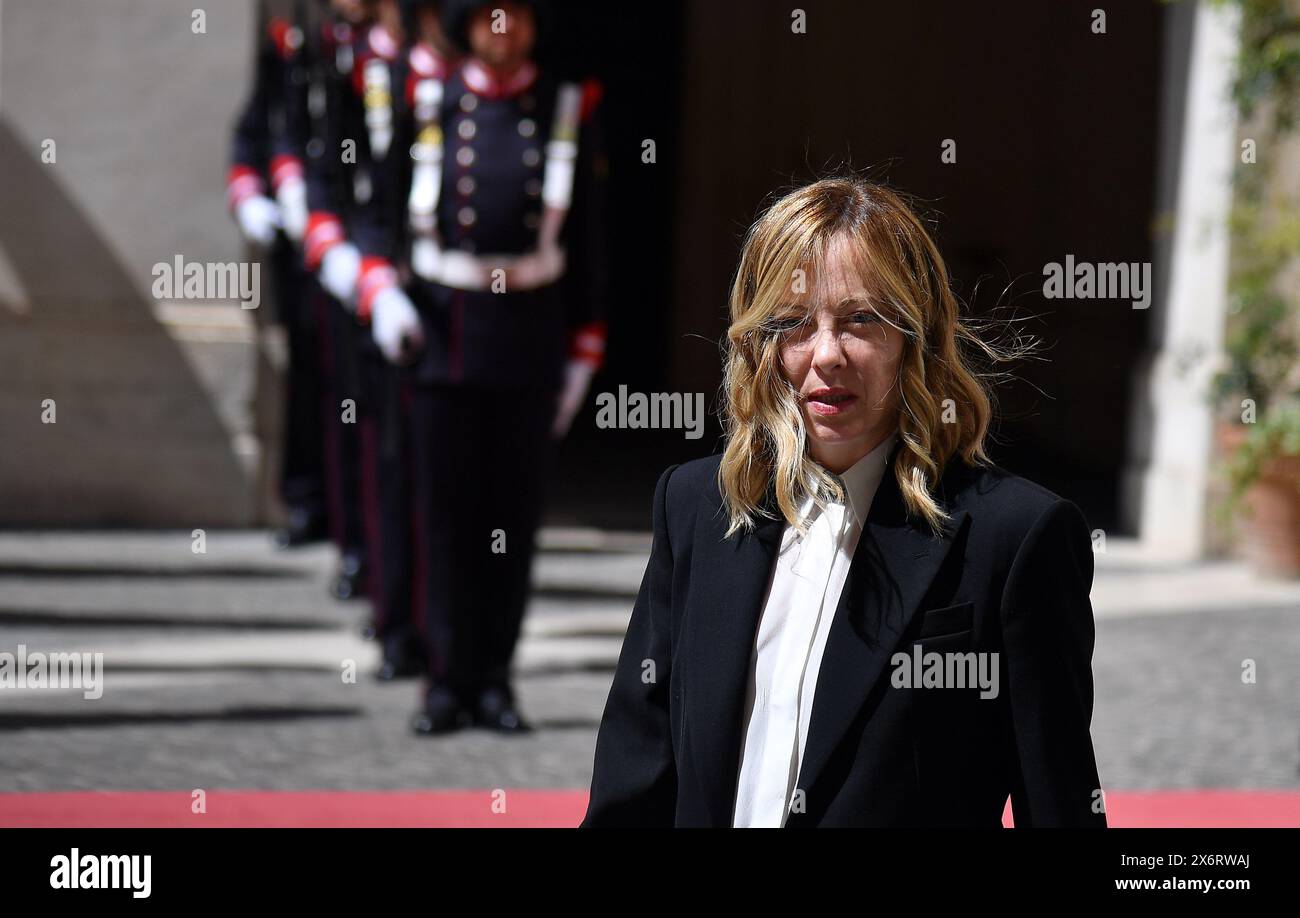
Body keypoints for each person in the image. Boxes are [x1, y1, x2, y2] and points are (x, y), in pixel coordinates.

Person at [581, 178, 1106, 827]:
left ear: (916, 334)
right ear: (758, 340)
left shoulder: (1017, 536)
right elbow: (633, 782)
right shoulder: (695, 505)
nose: (826, 354)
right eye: (794, 323)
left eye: (861, 319)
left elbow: (1058, 806)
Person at [385, 0, 608, 734]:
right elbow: (382, 212)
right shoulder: (428, 102)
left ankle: (495, 679)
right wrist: (382, 292)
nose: (503, 26)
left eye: (516, 12)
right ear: (466, 23)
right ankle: (444, 679)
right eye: (488, 13)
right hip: (446, 331)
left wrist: (584, 347)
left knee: (510, 520)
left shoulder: (566, 108)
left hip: (527, 336)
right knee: (444, 515)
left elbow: (595, 240)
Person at [229, 0, 331, 548]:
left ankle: (353, 519)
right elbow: (257, 134)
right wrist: (251, 195)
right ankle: (306, 500)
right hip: (303, 249)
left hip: (353, 246)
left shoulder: (354, 57)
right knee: (310, 377)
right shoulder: (287, 53)